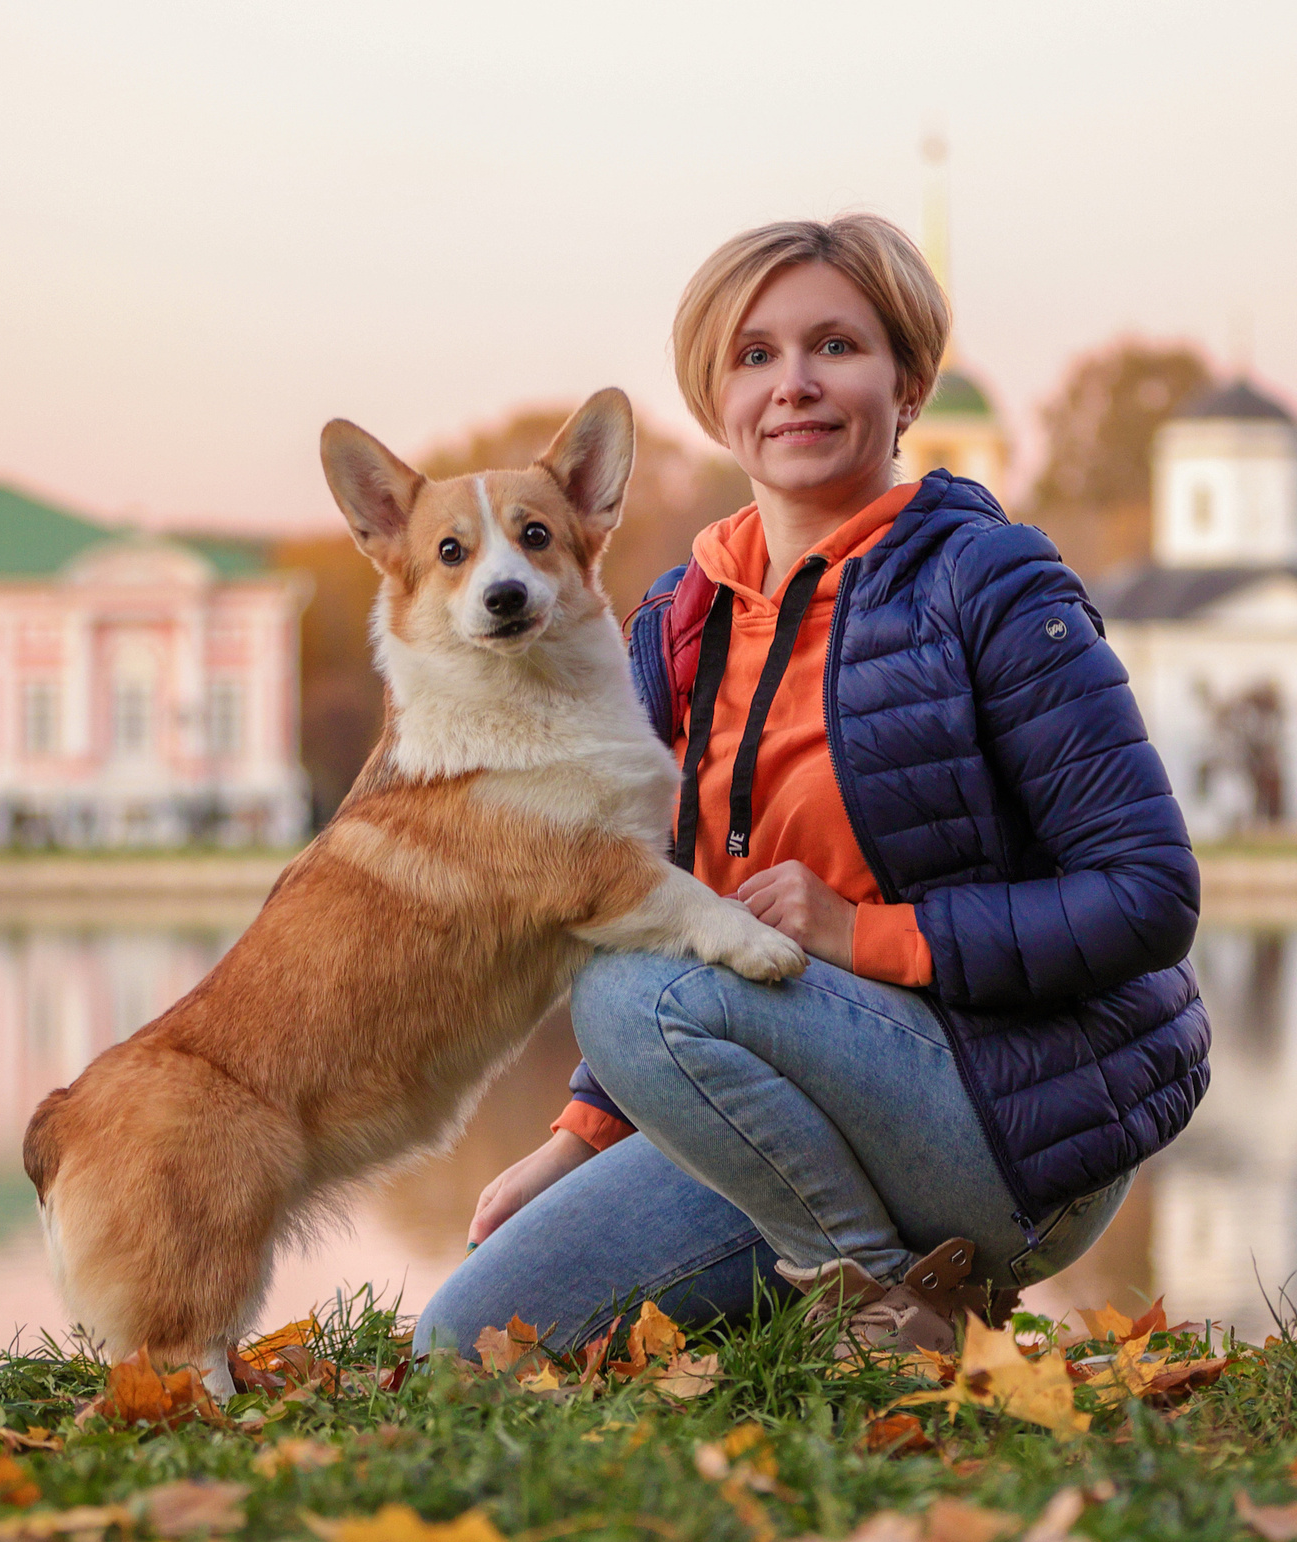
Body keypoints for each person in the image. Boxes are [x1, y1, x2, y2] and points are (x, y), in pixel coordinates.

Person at [413, 214, 1207, 1358]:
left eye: (835, 346)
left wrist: (861, 934)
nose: (794, 384)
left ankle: (877, 1305)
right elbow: (667, 902)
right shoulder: (680, 616)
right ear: (712, 395)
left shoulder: (988, 580)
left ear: (908, 378)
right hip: (784, 1122)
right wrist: (579, 1139)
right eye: (754, 355)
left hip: (1011, 1122)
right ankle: (867, 1282)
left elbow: (1147, 896)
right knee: (472, 1339)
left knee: (630, 992)